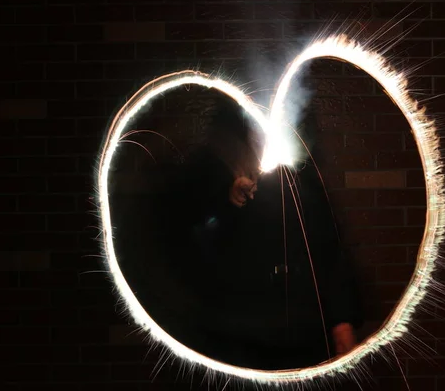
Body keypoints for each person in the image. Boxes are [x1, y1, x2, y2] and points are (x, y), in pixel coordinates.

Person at [149, 100, 364, 370]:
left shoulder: (304, 180)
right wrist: (227, 201)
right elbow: (189, 241)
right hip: (240, 330)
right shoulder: (211, 173)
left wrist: (341, 320)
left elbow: (329, 249)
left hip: (300, 327)